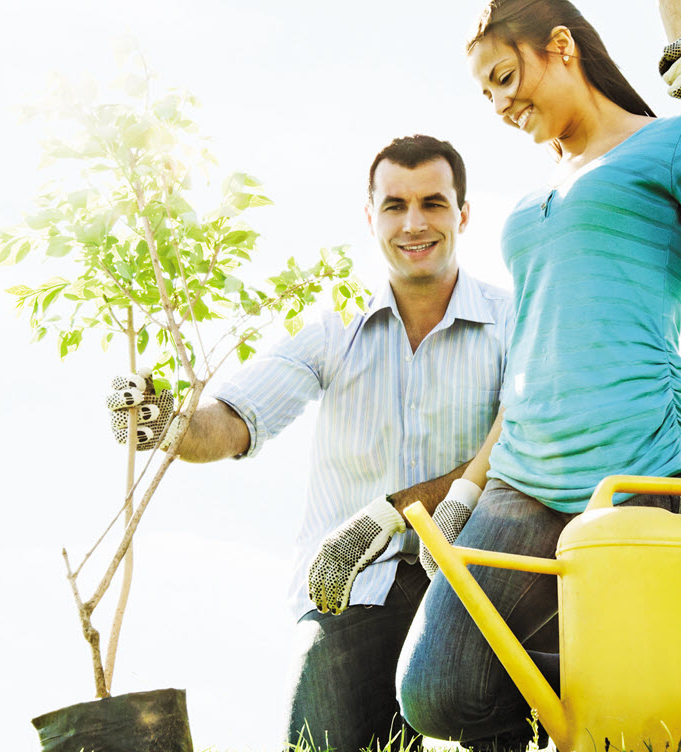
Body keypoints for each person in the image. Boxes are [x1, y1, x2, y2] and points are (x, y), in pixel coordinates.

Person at [395, 0, 681, 750]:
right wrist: (471, 485)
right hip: (524, 476)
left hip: (643, 466)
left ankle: (638, 689)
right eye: (485, 94)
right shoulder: (532, 197)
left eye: (504, 77)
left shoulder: (671, 143)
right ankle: (601, 687)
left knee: (647, 709)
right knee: (438, 691)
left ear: (561, 47)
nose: (500, 105)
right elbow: (535, 352)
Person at [106, 134, 518, 752]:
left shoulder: (514, 321)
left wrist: (397, 510)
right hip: (351, 587)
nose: (414, 223)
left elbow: (524, 438)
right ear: (370, 216)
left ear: (463, 213)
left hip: (476, 584)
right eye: (395, 205)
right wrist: (170, 426)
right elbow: (235, 420)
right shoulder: (332, 328)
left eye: (433, 203)